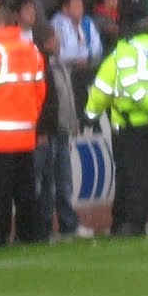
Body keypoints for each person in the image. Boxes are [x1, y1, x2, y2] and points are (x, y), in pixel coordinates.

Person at [87, 5, 148, 236]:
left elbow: (110, 88)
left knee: (135, 175)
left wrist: (89, 114)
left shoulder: (124, 52)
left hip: (130, 124)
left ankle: (133, 223)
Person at [0, 4, 46, 244]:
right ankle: (28, 234)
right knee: (25, 190)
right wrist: (31, 116)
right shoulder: (32, 50)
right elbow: (40, 91)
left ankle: (0, 235)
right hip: (26, 133)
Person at [35, 26, 93, 241]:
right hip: (51, 131)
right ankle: (46, 228)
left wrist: (73, 122)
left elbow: (67, 98)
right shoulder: (43, 65)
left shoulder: (59, 64)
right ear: (47, 42)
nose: (59, 43)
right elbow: (48, 101)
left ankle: (68, 224)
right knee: (49, 183)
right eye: (55, 39)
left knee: (63, 182)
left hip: (62, 130)